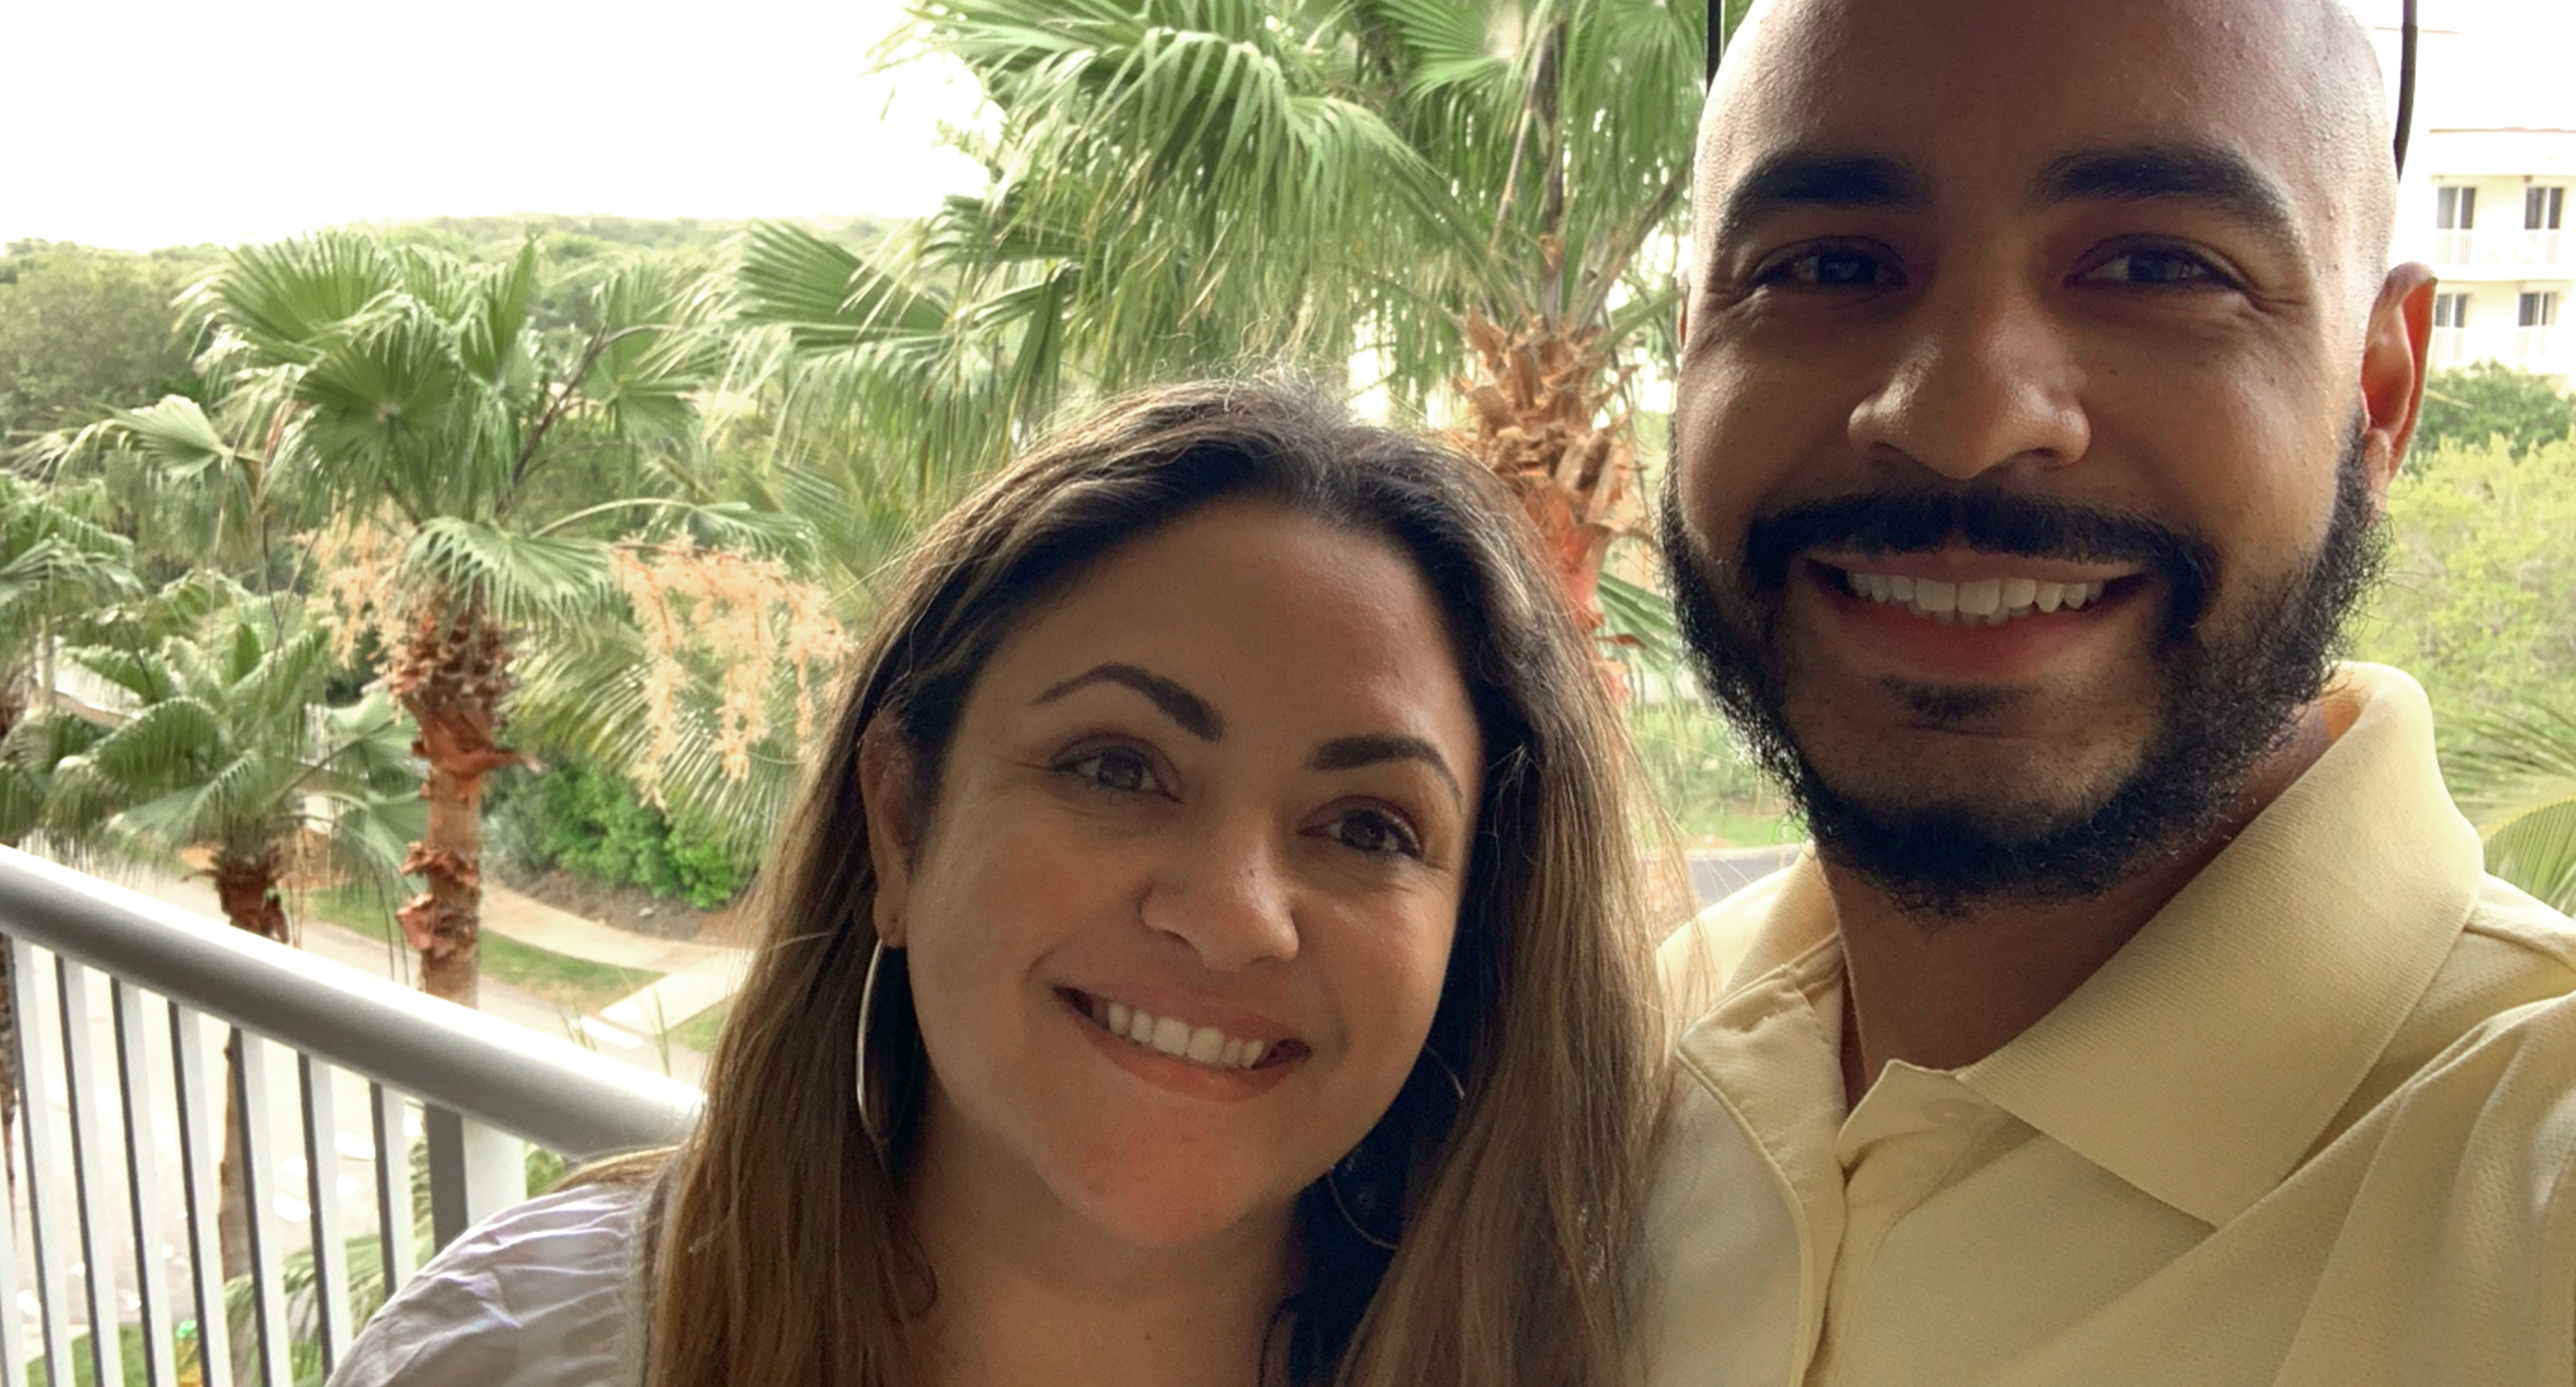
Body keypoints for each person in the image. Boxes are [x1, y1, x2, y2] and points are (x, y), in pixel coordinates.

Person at [1643, 0, 2576, 1387]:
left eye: (2158, 267)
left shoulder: (2528, 1188)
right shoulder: (1602, 1072)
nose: (1960, 411)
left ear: (2382, 395)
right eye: (1826, 265)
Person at [334, 378, 1665, 1387]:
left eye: (1370, 827)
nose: (1232, 914)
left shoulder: (1640, 1352)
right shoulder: (523, 1353)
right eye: (1118, 766)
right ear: (902, 827)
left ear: (1471, 934)